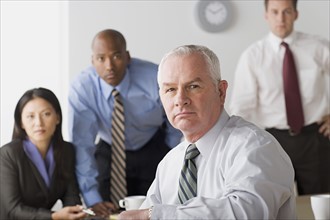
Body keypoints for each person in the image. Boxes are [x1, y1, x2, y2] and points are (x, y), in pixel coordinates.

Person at [118, 45, 296, 220]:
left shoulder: (255, 146)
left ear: (221, 92)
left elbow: (246, 213)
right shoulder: (169, 163)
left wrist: (156, 215)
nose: (180, 100)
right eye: (170, 89)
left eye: (193, 86)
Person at [68, 29, 182, 216]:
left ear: (127, 57)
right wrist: (92, 198)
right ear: (92, 61)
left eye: (116, 56)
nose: (109, 66)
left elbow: (175, 119)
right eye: (101, 58)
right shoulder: (82, 88)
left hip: (152, 144)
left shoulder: (155, 77)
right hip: (109, 147)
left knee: (153, 210)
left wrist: (171, 156)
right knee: (106, 210)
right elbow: (82, 144)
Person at [229, 0, 330, 195]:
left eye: (286, 12)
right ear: (266, 15)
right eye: (275, 12)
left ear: (296, 14)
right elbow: (241, 107)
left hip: (315, 140)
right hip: (273, 141)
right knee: (275, 204)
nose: (281, 19)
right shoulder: (253, 56)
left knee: (321, 205)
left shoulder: (318, 47)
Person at [0, 88, 88, 220]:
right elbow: (13, 209)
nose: (39, 123)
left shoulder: (67, 150)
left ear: (57, 118)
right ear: (21, 122)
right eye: (30, 116)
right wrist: (54, 216)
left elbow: (71, 196)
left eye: (46, 114)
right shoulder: (8, 154)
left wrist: (76, 212)